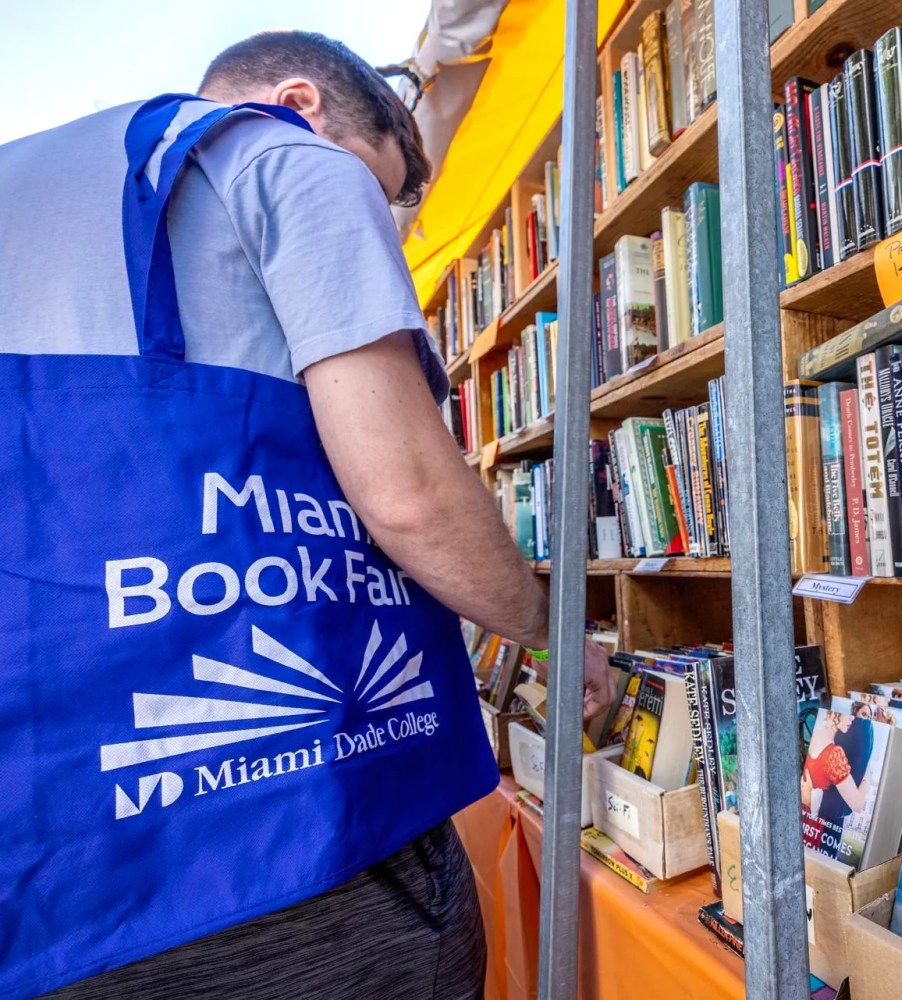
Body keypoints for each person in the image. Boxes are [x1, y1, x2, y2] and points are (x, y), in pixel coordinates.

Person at [0, 30, 615, 1000]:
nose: (392, 232)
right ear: (300, 104)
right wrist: (549, 630)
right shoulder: (277, 153)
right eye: (381, 191)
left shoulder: (29, 183)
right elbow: (407, 490)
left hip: (57, 878)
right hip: (290, 847)